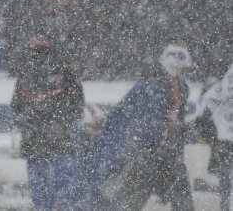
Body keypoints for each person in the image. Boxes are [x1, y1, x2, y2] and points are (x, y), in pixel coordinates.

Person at [76, 44, 194, 210]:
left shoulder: (182, 89)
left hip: (166, 156)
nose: (180, 76)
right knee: (128, 200)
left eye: (182, 71)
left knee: (181, 199)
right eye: (178, 70)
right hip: (146, 156)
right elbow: (129, 118)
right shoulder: (149, 88)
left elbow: (174, 127)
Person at [11, 35, 84, 210]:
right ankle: (62, 206)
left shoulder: (26, 72)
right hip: (58, 136)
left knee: (39, 180)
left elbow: (16, 107)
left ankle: (45, 207)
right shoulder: (64, 70)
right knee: (63, 178)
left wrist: (27, 123)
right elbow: (77, 102)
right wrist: (62, 121)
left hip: (35, 136)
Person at [190, 63, 233, 211]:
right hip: (224, 140)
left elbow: (202, 115)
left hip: (223, 140)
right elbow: (203, 116)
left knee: (225, 178)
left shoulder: (216, 90)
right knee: (225, 178)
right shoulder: (216, 91)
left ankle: (225, 203)